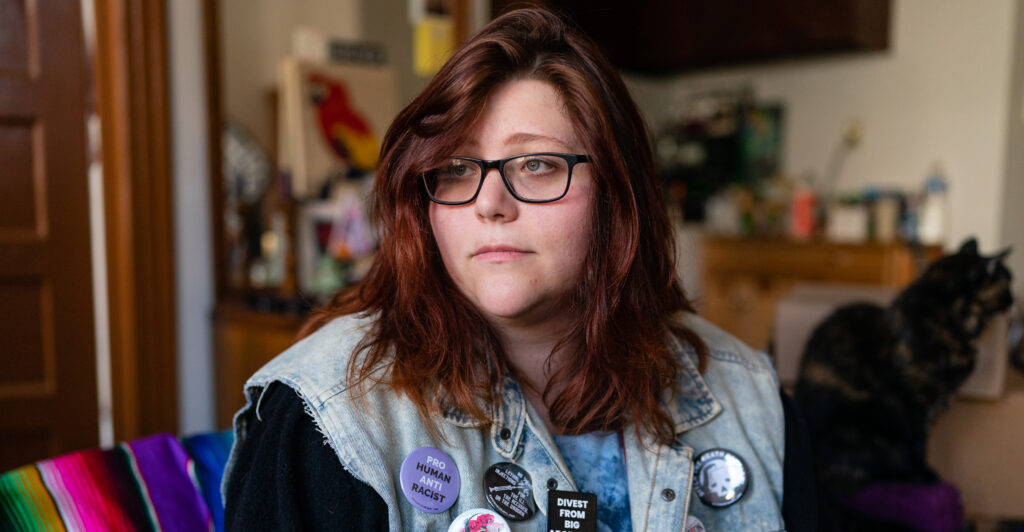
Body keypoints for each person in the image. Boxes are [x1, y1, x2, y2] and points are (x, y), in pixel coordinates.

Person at [223, 8, 815, 531]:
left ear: (618, 193)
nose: (488, 202)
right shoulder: (326, 418)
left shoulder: (753, 400)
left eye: (535, 164)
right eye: (455, 168)